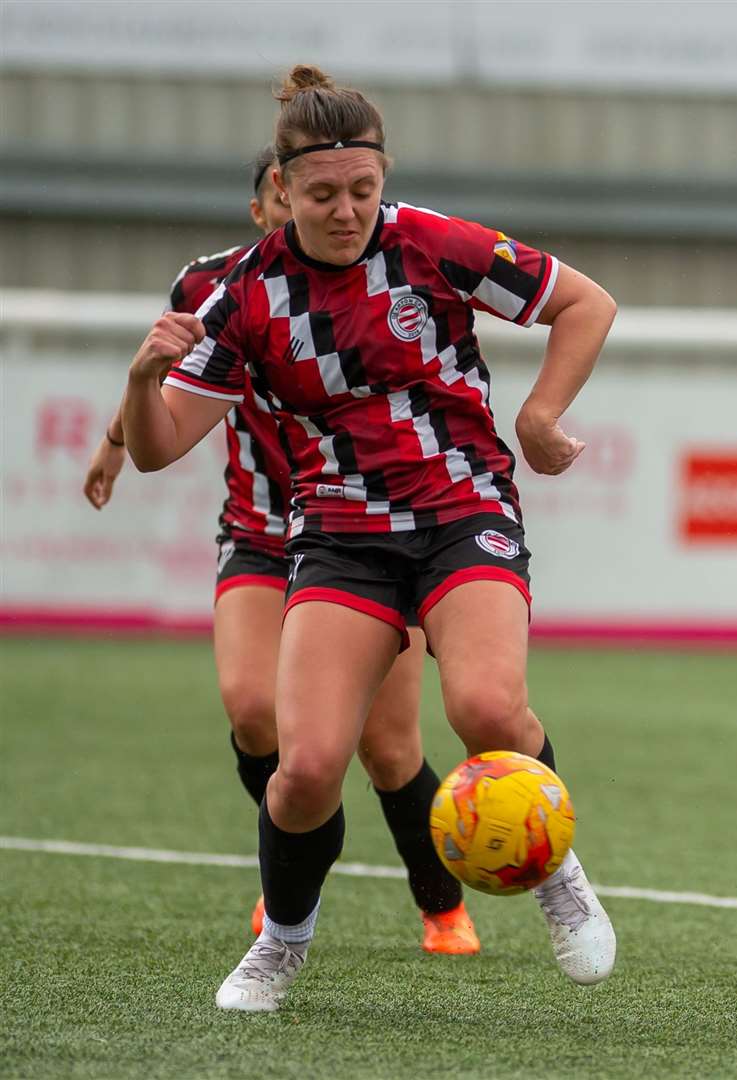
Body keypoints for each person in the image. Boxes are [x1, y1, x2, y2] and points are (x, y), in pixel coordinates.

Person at [117, 65, 618, 1012]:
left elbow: (585, 303)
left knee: (485, 710)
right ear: (281, 190)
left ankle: (559, 880)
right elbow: (160, 448)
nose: (346, 211)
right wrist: (143, 382)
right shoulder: (246, 296)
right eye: (321, 195)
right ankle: (282, 944)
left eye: (362, 190)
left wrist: (542, 415)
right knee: (303, 768)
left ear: (382, 179)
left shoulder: (434, 244)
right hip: (340, 535)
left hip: (462, 509)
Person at [83, 146, 480, 956]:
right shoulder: (214, 289)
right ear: (273, 201)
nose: (327, 216)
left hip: (361, 530)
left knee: (390, 745)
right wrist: (115, 441)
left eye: (352, 195)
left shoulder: (371, 274)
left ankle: (440, 904)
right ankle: (286, 888)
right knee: (253, 710)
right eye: (305, 198)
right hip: (260, 532)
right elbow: (169, 380)